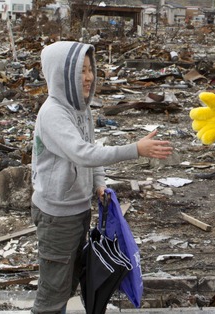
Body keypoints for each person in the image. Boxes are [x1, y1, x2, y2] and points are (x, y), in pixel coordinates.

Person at [30, 40, 172, 314]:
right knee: (53, 291)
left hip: (77, 209)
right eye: (80, 71)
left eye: (90, 69)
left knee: (68, 280)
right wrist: (135, 150)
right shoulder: (53, 114)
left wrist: (98, 184)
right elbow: (82, 153)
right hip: (57, 215)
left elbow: (91, 149)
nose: (89, 77)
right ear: (63, 74)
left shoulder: (81, 109)